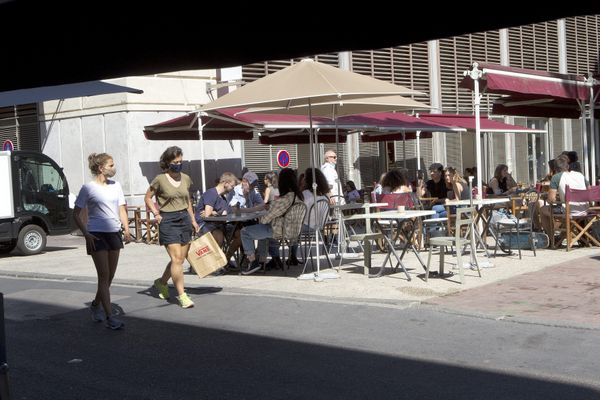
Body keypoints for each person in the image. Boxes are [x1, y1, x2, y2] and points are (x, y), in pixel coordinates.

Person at [73, 153, 130, 330]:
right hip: (96, 234)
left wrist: (127, 229)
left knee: (110, 276)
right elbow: (75, 214)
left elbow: (121, 209)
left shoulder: (116, 186)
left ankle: (96, 304)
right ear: (101, 168)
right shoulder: (88, 188)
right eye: (111, 165)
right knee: (103, 276)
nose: (114, 168)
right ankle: (109, 316)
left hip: (114, 233)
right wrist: (86, 234)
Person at [145, 146, 199, 309]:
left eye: (180, 161)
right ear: (168, 162)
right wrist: (156, 213)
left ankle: (161, 283)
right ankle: (181, 296)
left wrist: (193, 220)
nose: (179, 164)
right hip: (168, 219)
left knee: (180, 260)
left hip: (184, 218)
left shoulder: (186, 178)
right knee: (177, 259)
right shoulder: (160, 179)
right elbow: (148, 197)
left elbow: (188, 200)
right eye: (175, 162)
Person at [240, 168, 304, 275]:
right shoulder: (299, 197)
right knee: (263, 233)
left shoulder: (284, 199)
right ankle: (262, 262)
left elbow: (265, 220)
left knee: (244, 232)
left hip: (278, 230)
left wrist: (263, 213)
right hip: (294, 232)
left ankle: (253, 261)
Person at [540, 154, 589, 239]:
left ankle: (551, 239)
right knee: (562, 208)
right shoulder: (580, 175)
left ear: (554, 169)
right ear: (568, 166)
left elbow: (551, 200)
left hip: (569, 211)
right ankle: (563, 237)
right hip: (585, 210)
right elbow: (589, 190)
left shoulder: (556, 177)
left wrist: (553, 199)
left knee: (543, 209)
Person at [288, 167, 331, 266]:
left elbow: (296, 213)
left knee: (291, 226)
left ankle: (291, 256)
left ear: (307, 179)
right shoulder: (324, 196)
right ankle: (292, 256)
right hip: (320, 227)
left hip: (306, 226)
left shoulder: (304, 194)